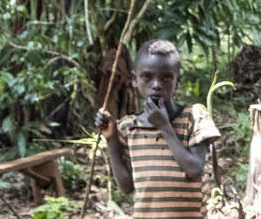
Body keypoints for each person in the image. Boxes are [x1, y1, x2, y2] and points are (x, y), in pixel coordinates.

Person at [94, 40, 221, 218]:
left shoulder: (194, 117)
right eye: (147, 77)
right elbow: (126, 186)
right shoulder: (128, 127)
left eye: (166, 77)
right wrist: (112, 140)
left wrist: (164, 127)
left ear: (177, 81)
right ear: (134, 80)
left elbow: (194, 169)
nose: (156, 85)